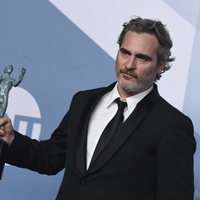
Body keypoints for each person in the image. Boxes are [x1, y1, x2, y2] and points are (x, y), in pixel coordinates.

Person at [0, 17, 196, 200]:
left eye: (142, 58)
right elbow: (51, 158)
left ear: (161, 66)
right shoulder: (83, 101)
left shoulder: (172, 125)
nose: (129, 64)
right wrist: (11, 140)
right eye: (125, 52)